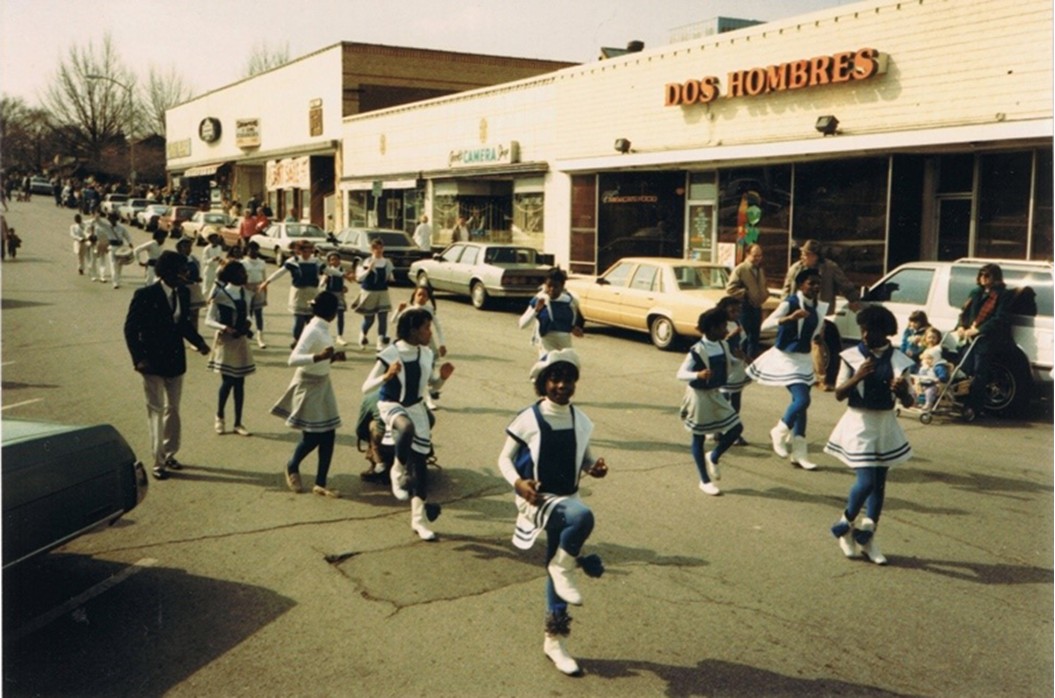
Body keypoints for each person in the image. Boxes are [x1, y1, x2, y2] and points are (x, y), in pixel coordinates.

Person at [496, 348, 607, 677]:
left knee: (557, 566)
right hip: (538, 498)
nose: (562, 386)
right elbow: (503, 459)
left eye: (568, 380)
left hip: (567, 496)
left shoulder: (579, 419)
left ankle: (554, 641)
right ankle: (564, 565)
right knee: (582, 518)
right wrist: (518, 483)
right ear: (543, 383)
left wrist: (595, 467)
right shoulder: (529, 418)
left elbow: (585, 457)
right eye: (555, 379)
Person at [824, 306, 915, 565]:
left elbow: (909, 402)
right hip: (858, 423)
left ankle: (867, 538)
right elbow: (839, 393)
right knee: (865, 482)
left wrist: (902, 392)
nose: (865, 336)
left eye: (871, 331)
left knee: (879, 484)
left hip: (885, 424)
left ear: (885, 333)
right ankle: (844, 525)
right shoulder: (851, 357)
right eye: (863, 330)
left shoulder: (899, 360)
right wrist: (858, 377)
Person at [362, 307, 454, 540]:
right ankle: (397, 469)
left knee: (420, 468)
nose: (429, 332)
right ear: (413, 330)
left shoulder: (425, 353)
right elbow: (366, 387)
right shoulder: (391, 352)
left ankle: (418, 521)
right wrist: (387, 375)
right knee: (405, 427)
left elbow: (431, 386)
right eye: (425, 328)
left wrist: (442, 378)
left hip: (416, 407)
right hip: (391, 404)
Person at [123, 251, 211, 480]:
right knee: (156, 410)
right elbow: (131, 329)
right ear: (169, 272)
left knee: (173, 409)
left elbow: (183, 324)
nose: (187, 274)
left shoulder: (183, 292)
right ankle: (158, 461)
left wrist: (200, 343)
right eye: (183, 270)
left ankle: (170, 452)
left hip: (175, 360)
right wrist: (138, 359)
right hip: (151, 363)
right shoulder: (145, 294)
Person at [747, 267, 826, 470]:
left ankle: (799, 453)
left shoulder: (819, 307)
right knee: (802, 399)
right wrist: (790, 319)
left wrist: (818, 340)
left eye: (818, 284)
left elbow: (814, 334)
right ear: (801, 285)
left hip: (803, 358)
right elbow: (766, 325)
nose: (815, 287)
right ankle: (780, 431)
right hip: (785, 358)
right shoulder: (790, 303)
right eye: (811, 283)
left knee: (801, 407)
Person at [270, 291, 347, 499]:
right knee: (313, 436)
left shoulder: (322, 327)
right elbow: (293, 359)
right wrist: (319, 356)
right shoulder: (313, 328)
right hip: (308, 384)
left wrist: (332, 358)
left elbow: (320, 357)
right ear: (331, 312)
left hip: (322, 383)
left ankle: (320, 483)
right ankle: (292, 465)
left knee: (328, 433)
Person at [677, 308, 744, 496]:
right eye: (722, 326)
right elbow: (680, 373)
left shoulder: (722, 345)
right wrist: (697, 374)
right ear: (712, 328)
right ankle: (704, 480)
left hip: (715, 393)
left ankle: (713, 455)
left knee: (736, 428)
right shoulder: (697, 350)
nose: (725, 329)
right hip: (699, 395)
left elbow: (730, 361)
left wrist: (741, 360)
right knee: (698, 437)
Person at [781, 240, 861, 391]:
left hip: (819, 310)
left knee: (817, 343)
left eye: (806, 254)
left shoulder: (829, 268)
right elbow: (787, 288)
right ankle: (797, 374)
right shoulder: (796, 268)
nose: (802, 256)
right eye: (802, 253)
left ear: (815, 256)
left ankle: (821, 380)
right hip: (798, 311)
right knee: (798, 343)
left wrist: (854, 299)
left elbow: (844, 284)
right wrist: (785, 308)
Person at [954, 263, 1014, 416]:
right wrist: (961, 326)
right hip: (969, 337)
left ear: (995, 277)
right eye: (981, 275)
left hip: (987, 339)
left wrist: (978, 330)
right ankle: (960, 402)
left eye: (987, 276)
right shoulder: (975, 292)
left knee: (979, 372)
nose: (983, 278)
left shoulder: (1003, 295)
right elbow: (964, 312)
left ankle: (974, 406)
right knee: (964, 369)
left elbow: (999, 318)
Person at [205, 260, 256, 436]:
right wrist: (224, 328)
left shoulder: (246, 294)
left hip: (240, 340)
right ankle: (219, 416)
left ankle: (238, 422)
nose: (245, 275)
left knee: (240, 383)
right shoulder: (220, 294)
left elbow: (249, 314)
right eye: (241, 273)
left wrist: (248, 324)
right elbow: (209, 320)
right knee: (227, 382)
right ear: (232, 275)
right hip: (225, 342)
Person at [260, 240, 325, 346]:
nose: (307, 253)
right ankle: (296, 340)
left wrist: (343, 275)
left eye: (309, 251)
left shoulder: (316, 261)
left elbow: (329, 271)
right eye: (304, 251)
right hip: (298, 293)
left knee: (311, 320)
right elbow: (279, 272)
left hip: (312, 293)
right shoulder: (293, 261)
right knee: (299, 320)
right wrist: (267, 282)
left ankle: (309, 342)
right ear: (299, 251)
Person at [394, 284, 448, 410]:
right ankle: (424, 398)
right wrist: (398, 310)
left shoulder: (429, 310)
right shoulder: (409, 310)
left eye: (425, 295)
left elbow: (438, 327)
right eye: (419, 294)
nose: (422, 297)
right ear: (414, 296)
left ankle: (429, 396)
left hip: (428, 345)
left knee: (429, 371)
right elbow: (395, 322)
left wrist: (442, 343)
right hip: (412, 345)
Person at [518, 268, 585, 358]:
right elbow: (522, 324)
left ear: (562, 287)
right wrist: (536, 310)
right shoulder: (539, 299)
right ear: (545, 285)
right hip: (546, 345)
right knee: (549, 366)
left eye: (556, 286)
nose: (552, 289)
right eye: (549, 286)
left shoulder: (570, 301)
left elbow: (575, 325)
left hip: (564, 346)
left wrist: (575, 329)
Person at [724, 243, 769, 360]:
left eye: (760, 256)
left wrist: (765, 293)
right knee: (743, 337)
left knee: (754, 338)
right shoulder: (740, 269)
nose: (758, 258)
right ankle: (741, 363)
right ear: (747, 254)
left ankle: (751, 363)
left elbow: (763, 286)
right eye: (755, 256)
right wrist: (745, 292)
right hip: (744, 308)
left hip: (757, 307)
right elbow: (730, 289)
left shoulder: (760, 269)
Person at [716, 296, 750, 446]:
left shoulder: (737, 322)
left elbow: (740, 344)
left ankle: (723, 430)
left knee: (735, 401)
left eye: (738, 311)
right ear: (724, 310)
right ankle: (729, 432)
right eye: (732, 311)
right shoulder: (718, 324)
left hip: (737, 366)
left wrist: (745, 357)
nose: (736, 313)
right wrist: (730, 336)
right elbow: (716, 343)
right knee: (725, 401)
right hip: (725, 366)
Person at [353, 237, 394, 350]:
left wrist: (390, 277)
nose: (379, 250)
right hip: (369, 291)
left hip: (382, 292)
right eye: (376, 248)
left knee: (383, 317)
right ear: (371, 249)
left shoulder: (387, 262)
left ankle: (380, 342)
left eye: (381, 248)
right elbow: (359, 278)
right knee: (369, 319)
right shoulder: (365, 262)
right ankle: (363, 334)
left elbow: (389, 275)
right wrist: (368, 270)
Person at [319, 252, 355, 346]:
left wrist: (345, 287)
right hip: (329, 294)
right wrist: (323, 281)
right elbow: (322, 282)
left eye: (336, 259)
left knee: (340, 314)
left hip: (339, 295)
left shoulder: (343, 270)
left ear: (339, 260)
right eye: (331, 259)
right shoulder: (328, 271)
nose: (334, 261)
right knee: (326, 316)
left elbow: (349, 279)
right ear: (329, 262)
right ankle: (323, 335)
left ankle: (340, 336)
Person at [912, 327, 951, 411]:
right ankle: (913, 401)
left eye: (934, 337)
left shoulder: (938, 366)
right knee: (914, 388)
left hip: (933, 384)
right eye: (929, 337)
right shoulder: (924, 365)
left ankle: (928, 403)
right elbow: (920, 372)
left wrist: (939, 379)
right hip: (923, 382)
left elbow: (943, 376)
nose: (931, 340)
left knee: (930, 391)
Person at [175, 237, 206, 332]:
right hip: (180, 290)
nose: (188, 249)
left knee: (194, 314)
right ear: (179, 247)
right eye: (185, 246)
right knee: (181, 314)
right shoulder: (176, 259)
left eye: (190, 246)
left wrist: (198, 278)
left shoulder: (194, 259)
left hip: (193, 289)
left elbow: (197, 273)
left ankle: (194, 335)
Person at [243, 241, 269, 349]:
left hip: (259, 289)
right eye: (250, 250)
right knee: (247, 315)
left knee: (259, 314)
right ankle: (245, 335)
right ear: (247, 250)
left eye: (255, 249)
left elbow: (264, 279)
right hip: (247, 289)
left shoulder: (262, 263)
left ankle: (260, 337)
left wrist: (265, 294)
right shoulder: (243, 263)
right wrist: (245, 287)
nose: (253, 252)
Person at [104, 213, 134, 289]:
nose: (111, 220)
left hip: (120, 248)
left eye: (113, 219)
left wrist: (130, 242)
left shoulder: (121, 227)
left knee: (120, 265)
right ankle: (115, 282)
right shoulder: (107, 227)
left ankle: (118, 279)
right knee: (113, 265)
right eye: (110, 219)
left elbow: (127, 235)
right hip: (112, 247)